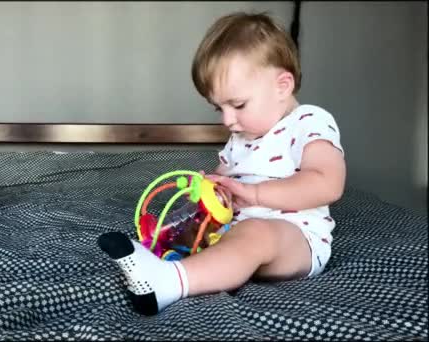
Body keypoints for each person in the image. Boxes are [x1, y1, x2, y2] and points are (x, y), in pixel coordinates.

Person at [97, 11, 346, 316]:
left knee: (257, 233)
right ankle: (156, 255)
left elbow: (327, 183)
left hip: (296, 239)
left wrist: (255, 195)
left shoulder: (309, 121)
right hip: (236, 231)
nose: (228, 120)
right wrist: (212, 187)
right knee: (189, 226)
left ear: (282, 86)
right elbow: (228, 178)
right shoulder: (240, 137)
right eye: (219, 108)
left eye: (238, 105)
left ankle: (171, 281)